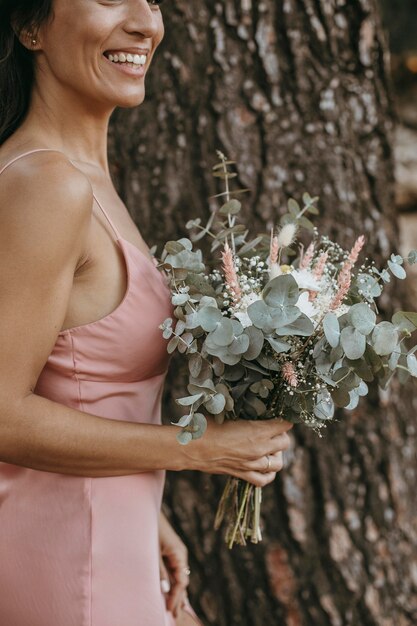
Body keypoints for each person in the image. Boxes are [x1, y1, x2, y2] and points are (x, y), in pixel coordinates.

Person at [0, 1, 293, 625]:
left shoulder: (80, 177)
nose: (145, 23)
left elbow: (72, 385)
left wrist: (143, 512)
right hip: (68, 562)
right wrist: (201, 449)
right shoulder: (48, 185)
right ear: (30, 28)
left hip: (106, 538)